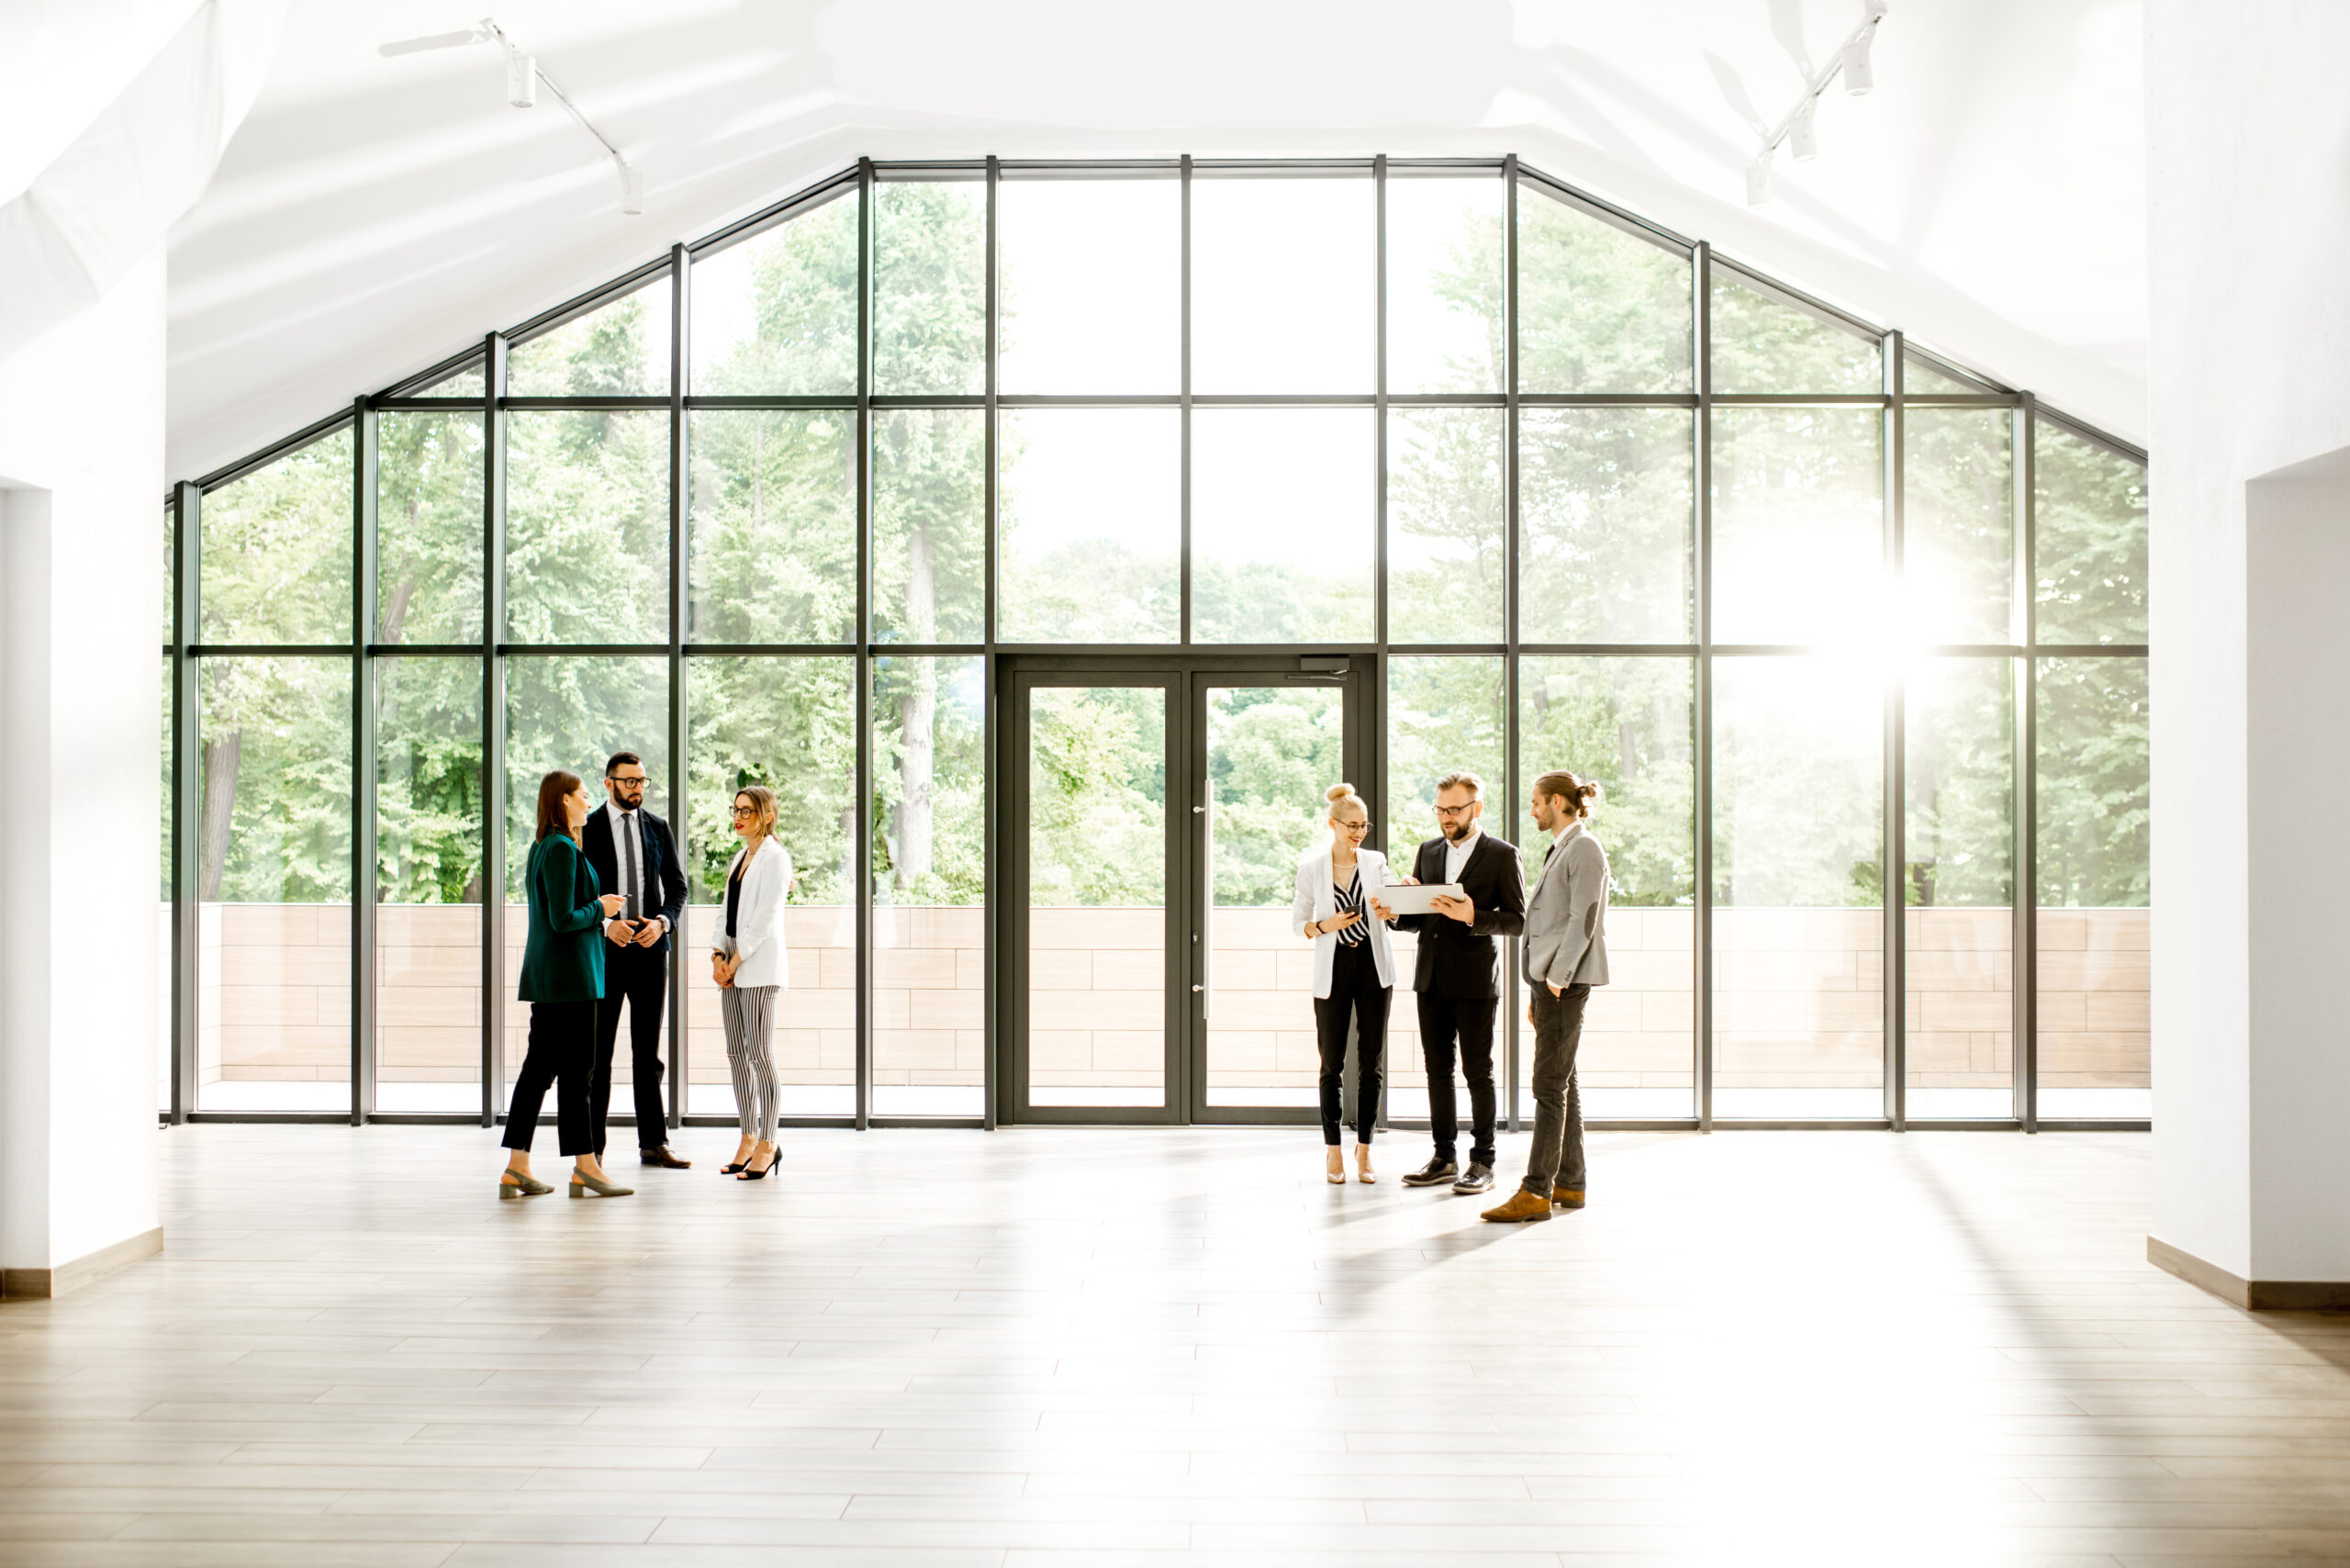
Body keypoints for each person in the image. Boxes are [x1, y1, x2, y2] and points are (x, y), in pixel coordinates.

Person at [1371, 770, 1525, 1196]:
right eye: (1440, 809)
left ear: (1477, 808)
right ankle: (1443, 1157)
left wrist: (1473, 917)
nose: (1445, 817)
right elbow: (1421, 920)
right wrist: (1397, 913)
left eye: (1454, 809)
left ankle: (1483, 1161)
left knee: (1479, 1072)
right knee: (1437, 1071)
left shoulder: (1502, 854)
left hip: (1475, 980)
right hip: (1431, 978)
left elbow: (1517, 921)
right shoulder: (1429, 850)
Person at [1483, 770, 1610, 1224]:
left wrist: (1556, 978)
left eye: (1536, 802)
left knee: (1548, 1088)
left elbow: (1584, 918)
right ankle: (1570, 1183)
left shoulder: (1585, 848)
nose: (1532, 810)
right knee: (1564, 1080)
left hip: (1563, 982)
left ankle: (1535, 1192)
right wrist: (1541, 984)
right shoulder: (1563, 848)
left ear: (1557, 801)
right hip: (1549, 982)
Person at [500, 770, 632, 1200]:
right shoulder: (560, 849)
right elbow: (563, 919)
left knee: (538, 1071)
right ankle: (585, 1166)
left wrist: (603, 922)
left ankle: (517, 1166)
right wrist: (603, 907)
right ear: (563, 802)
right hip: (571, 980)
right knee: (579, 1075)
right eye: (582, 795)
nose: (588, 800)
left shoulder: (545, 846)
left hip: (554, 979)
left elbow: (564, 915)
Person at [582, 752, 691, 1170]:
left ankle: (654, 1143)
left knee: (648, 1054)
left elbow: (678, 889)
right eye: (629, 782)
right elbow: (578, 895)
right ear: (609, 783)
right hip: (603, 954)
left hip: (650, 954)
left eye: (642, 781)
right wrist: (607, 922)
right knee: (599, 1055)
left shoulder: (658, 828)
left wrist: (663, 922)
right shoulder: (585, 830)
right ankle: (593, 1151)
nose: (637, 789)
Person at [1290, 783, 1398, 1184]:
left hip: (1374, 968)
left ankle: (1365, 1151)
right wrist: (1326, 925)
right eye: (1352, 825)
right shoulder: (1312, 869)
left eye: (1364, 826)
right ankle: (1333, 1150)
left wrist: (1393, 905)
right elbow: (1298, 922)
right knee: (1331, 1064)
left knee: (1371, 1062)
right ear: (1332, 824)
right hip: (1333, 970)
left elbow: (1392, 909)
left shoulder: (1375, 861)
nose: (1359, 832)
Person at [711, 785, 793, 1181]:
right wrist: (717, 956)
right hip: (731, 961)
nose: (738, 816)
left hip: (757, 966)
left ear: (767, 816)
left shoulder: (777, 858)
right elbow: (724, 911)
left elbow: (764, 918)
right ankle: (747, 1135)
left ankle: (769, 1141)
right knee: (735, 1053)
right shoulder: (740, 857)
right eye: (736, 809)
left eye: (747, 810)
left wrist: (735, 960)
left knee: (761, 1054)